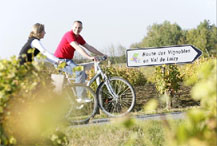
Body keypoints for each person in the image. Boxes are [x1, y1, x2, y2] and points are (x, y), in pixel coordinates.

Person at [54, 20, 106, 102]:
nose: (77, 29)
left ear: (81, 29)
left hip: (68, 61)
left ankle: (74, 92)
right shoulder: (69, 35)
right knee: (80, 72)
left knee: (84, 76)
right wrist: (89, 57)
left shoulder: (79, 37)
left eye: (79, 28)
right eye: (75, 27)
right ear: (72, 27)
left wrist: (102, 54)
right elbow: (78, 48)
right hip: (60, 62)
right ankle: (80, 97)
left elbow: (89, 47)